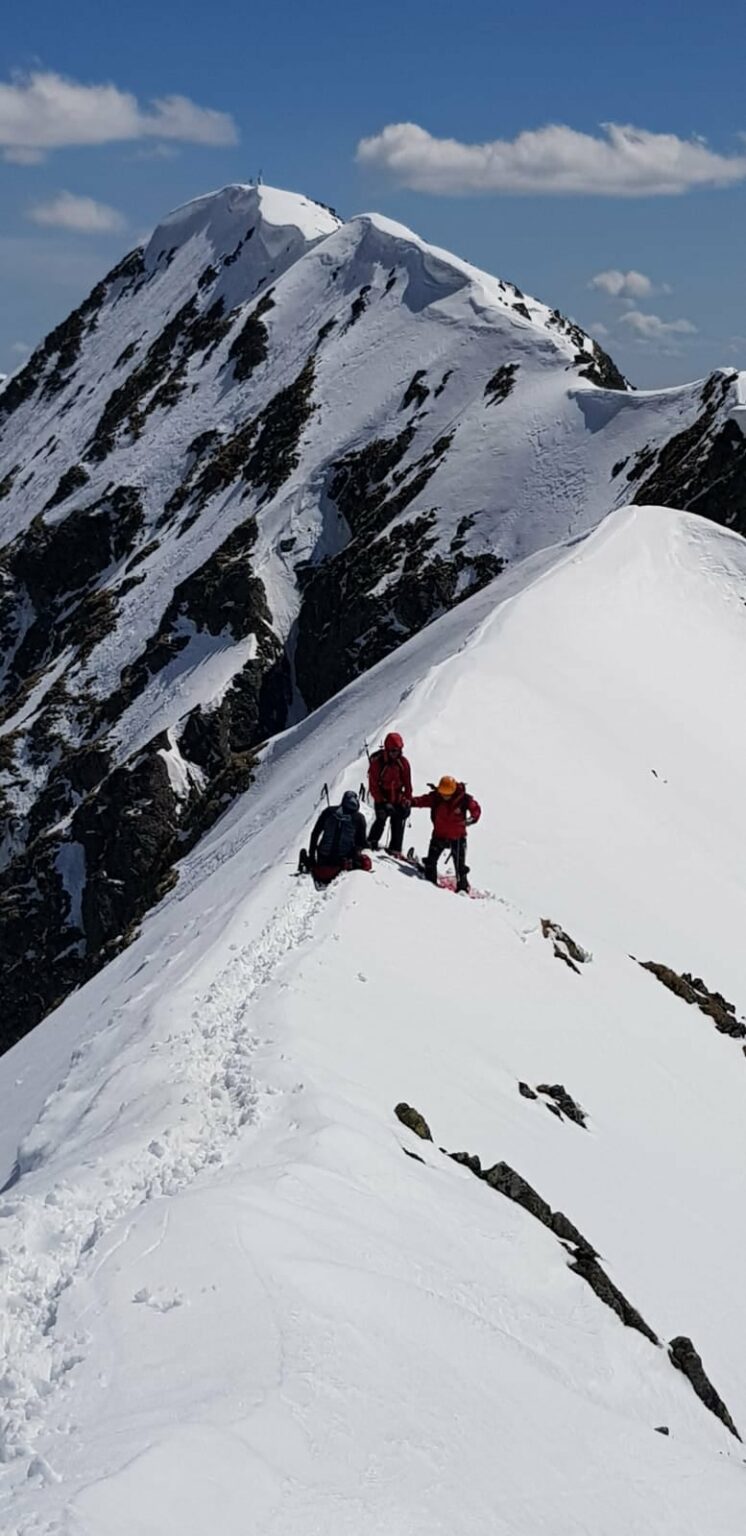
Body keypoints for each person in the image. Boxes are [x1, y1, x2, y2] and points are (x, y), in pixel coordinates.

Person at [410, 776, 481, 893]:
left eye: (447, 795)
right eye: (443, 794)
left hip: (457, 838)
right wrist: (410, 802)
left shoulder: (463, 799)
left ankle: (463, 887)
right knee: (431, 861)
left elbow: (476, 809)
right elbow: (422, 800)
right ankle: (429, 882)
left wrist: (472, 818)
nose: (445, 797)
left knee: (460, 867)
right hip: (439, 835)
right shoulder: (436, 797)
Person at [303, 790, 372, 885]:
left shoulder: (328, 812)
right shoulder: (358, 818)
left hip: (322, 857)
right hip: (342, 861)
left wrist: (311, 856)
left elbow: (315, 834)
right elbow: (362, 842)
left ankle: (306, 862)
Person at [367, 732, 412, 854]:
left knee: (398, 822)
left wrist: (407, 801)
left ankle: (395, 849)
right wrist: (383, 802)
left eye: (397, 750)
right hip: (382, 797)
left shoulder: (403, 763)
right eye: (393, 751)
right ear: (387, 749)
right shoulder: (377, 764)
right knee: (381, 819)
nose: (395, 753)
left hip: (397, 797)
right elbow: (373, 786)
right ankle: (371, 843)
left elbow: (407, 785)